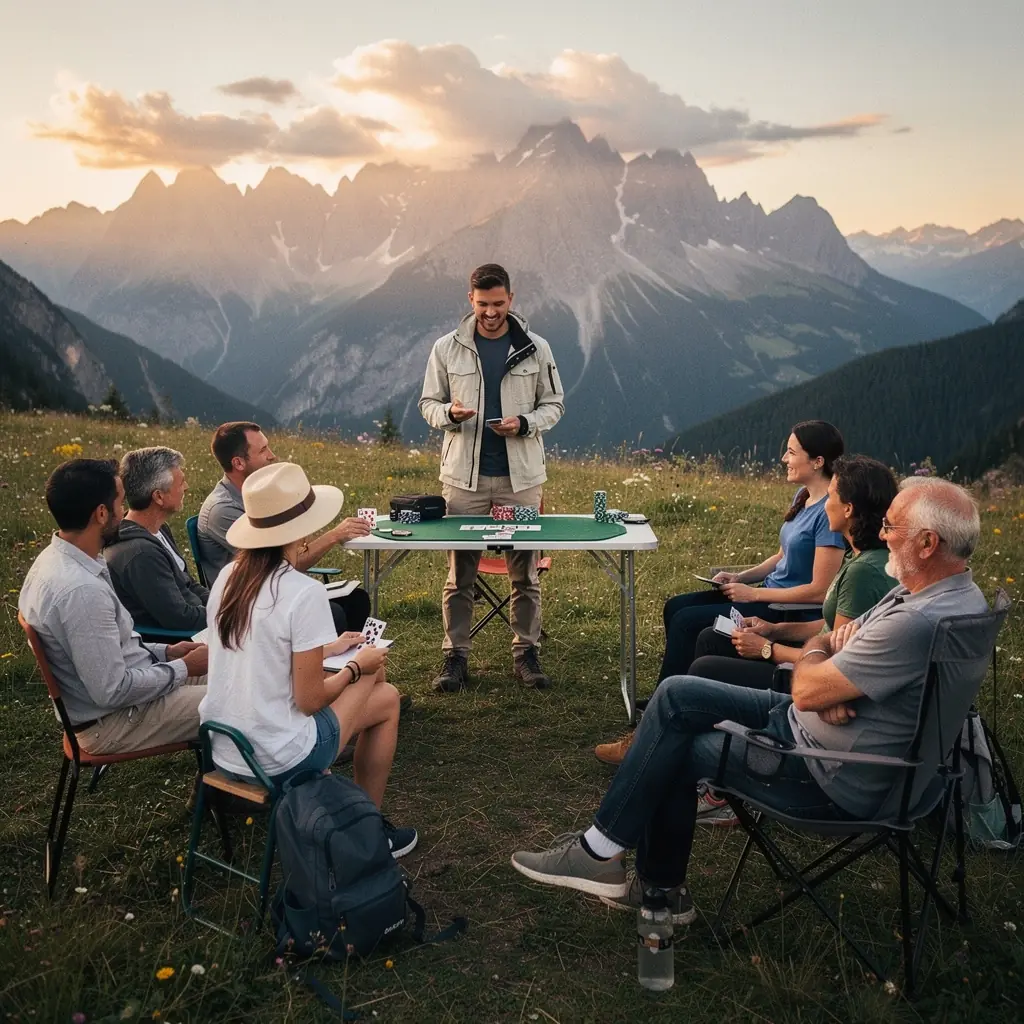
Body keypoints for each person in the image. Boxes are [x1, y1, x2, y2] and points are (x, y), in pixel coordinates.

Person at [512, 478, 986, 924]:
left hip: (827, 769)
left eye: (891, 526)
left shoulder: (915, 621)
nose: (882, 532)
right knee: (677, 694)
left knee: (673, 750)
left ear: (927, 544)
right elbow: (829, 658)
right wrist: (828, 672)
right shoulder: (954, 600)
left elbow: (809, 680)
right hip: (848, 743)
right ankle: (613, 858)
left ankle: (633, 875)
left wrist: (821, 665)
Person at [594, 420, 847, 766]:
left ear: (817, 461)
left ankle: (658, 718)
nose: (783, 457)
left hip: (783, 609)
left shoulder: (829, 513)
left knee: (689, 623)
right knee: (676, 607)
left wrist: (753, 595)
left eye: (791, 451)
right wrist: (741, 576)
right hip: (766, 595)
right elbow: (783, 555)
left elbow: (820, 591)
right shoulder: (803, 496)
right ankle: (666, 695)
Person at [198, 461, 417, 857]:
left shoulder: (229, 578)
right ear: (299, 530)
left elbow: (255, 650)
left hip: (224, 749)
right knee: (377, 676)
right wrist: (356, 667)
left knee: (384, 700)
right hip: (279, 758)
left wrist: (328, 649)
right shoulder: (303, 592)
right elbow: (310, 700)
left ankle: (361, 820)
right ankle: (368, 834)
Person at [419, 263, 565, 693]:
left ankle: (526, 653)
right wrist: (449, 414)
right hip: (464, 480)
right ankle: (455, 657)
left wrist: (523, 423)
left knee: (526, 572)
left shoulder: (537, 348)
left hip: (521, 479)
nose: (490, 312)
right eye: (483, 304)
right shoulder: (446, 348)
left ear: (511, 300)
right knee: (459, 573)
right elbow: (428, 403)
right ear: (470, 300)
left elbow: (555, 405)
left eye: (498, 304)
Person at [19, 459, 209, 755]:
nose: (126, 513)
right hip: (113, 722)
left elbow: (111, 650)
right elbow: (112, 690)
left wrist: (168, 652)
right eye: (121, 503)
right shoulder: (81, 592)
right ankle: (230, 795)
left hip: (130, 690)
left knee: (241, 671)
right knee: (241, 699)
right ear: (101, 513)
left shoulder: (63, 559)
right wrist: (183, 668)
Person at [690, 455, 899, 690]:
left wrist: (768, 649)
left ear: (848, 509)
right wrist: (773, 629)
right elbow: (829, 627)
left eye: (831, 496)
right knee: (712, 637)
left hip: (811, 681)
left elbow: (836, 663)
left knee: (704, 667)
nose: (825, 503)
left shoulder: (862, 573)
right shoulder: (857, 554)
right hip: (812, 655)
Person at [197, 421, 372, 634]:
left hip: (274, 588)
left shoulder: (262, 498)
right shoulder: (223, 510)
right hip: (251, 605)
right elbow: (284, 565)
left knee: (356, 600)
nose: (272, 455)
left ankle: (342, 662)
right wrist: (334, 535)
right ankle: (321, 665)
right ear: (239, 463)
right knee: (333, 613)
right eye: (263, 450)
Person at [105, 446, 208, 632]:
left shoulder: (159, 529)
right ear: (159, 496)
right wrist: (230, 617)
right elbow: (180, 618)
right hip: (184, 640)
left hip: (202, 620)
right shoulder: (141, 555)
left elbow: (188, 583)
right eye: (180, 483)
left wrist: (226, 603)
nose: (186, 487)